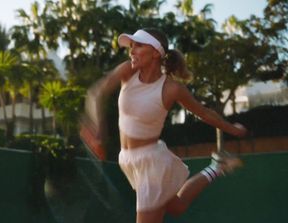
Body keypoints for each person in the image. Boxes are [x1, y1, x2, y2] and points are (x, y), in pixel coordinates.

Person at [83, 28, 248, 223]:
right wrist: (99, 128)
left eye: (139, 45)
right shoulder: (128, 70)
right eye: (131, 46)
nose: (132, 51)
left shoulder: (172, 89)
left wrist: (233, 129)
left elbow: (203, 113)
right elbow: (97, 93)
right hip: (128, 160)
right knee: (177, 207)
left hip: (152, 164)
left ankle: (217, 167)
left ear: (155, 52)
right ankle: (217, 167)